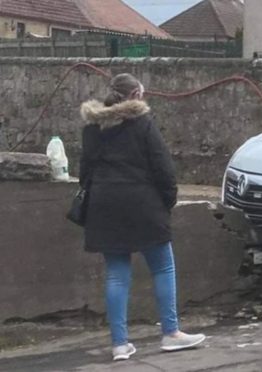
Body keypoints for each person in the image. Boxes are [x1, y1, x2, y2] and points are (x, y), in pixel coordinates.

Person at [79, 73, 205, 361]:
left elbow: (85, 172)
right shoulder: (143, 124)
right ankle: (171, 333)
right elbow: (163, 168)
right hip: (142, 203)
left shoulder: (92, 128)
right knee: (162, 267)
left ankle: (120, 344)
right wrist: (167, 201)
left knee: (116, 274)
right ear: (136, 95)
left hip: (105, 204)